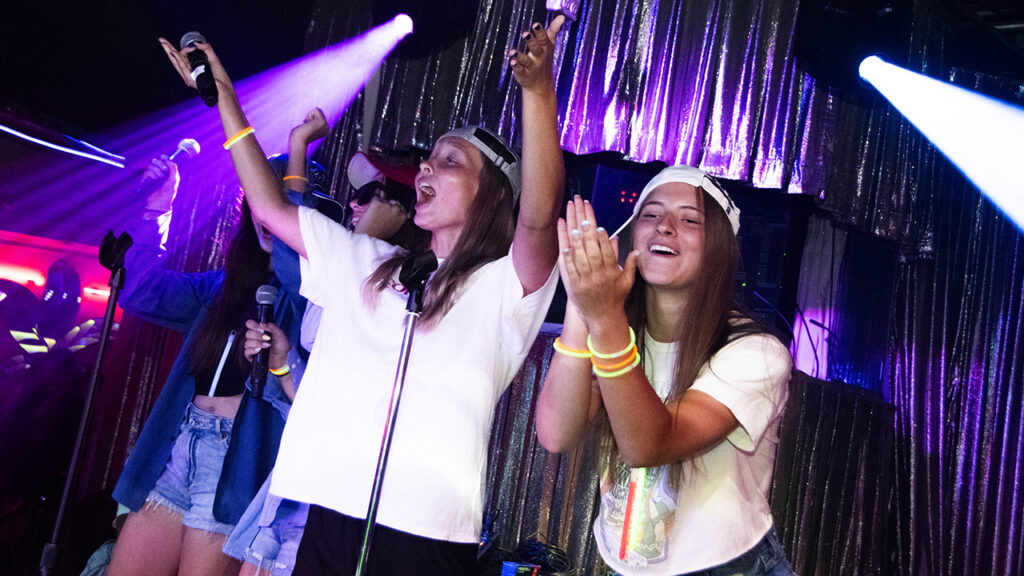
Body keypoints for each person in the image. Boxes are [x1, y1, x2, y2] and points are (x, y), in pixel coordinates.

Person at [159, 12, 566, 575]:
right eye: (428, 160)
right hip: (332, 513)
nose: (427, 169)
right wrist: (226, 97)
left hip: (428, 533)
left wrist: (538, 93)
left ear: (493, 194)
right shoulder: (367, 260)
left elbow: (540, 217)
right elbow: (271, 207)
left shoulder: (505, 285)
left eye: (450, 161)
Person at [536, 167, 795, 575]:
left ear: (720, 248)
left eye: (689, 220)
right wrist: (579, 305)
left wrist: (603, 318)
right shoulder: (617, 331)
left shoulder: (757, 351)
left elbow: (650, 445)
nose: (665, 227)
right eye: (651, 214)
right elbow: (557, 434)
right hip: (624, 565)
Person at [106, 110, 332, 576]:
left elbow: (293, 259)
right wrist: (155, 212)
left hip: (234, 459)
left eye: (280, 202)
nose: (268, 214)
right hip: (179, 446)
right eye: (260, 200)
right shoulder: (219, 288)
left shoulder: (309, 297)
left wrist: (297, 151)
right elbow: (141, 291)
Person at [223, 151, 424, 576]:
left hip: (343, 491)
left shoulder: (410, 289)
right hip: (305, 471)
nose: (353, 203)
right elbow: (320, 393)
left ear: (403, 208)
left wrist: (363, 239)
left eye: (370, 195)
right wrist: (283, 363)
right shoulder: (353, 267)